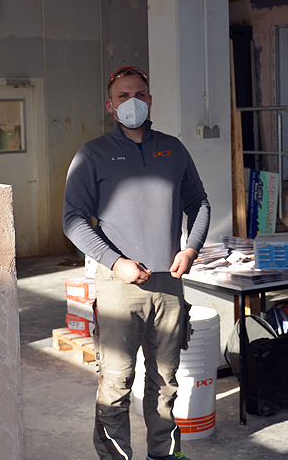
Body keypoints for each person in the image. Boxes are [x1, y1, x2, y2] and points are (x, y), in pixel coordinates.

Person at [62, 66, 210, 460]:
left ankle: (164, 454)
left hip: (169, 285)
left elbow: (199, 202)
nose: (133, 102)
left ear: (150, 100)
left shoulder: (173, 149)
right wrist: (116, 263)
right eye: (123, 96)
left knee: (166, 383)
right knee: (116, 383)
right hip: (119, 288)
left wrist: (191, 248)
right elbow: (73, 220)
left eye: (139, 94)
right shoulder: (92, 154)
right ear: (110, 106)